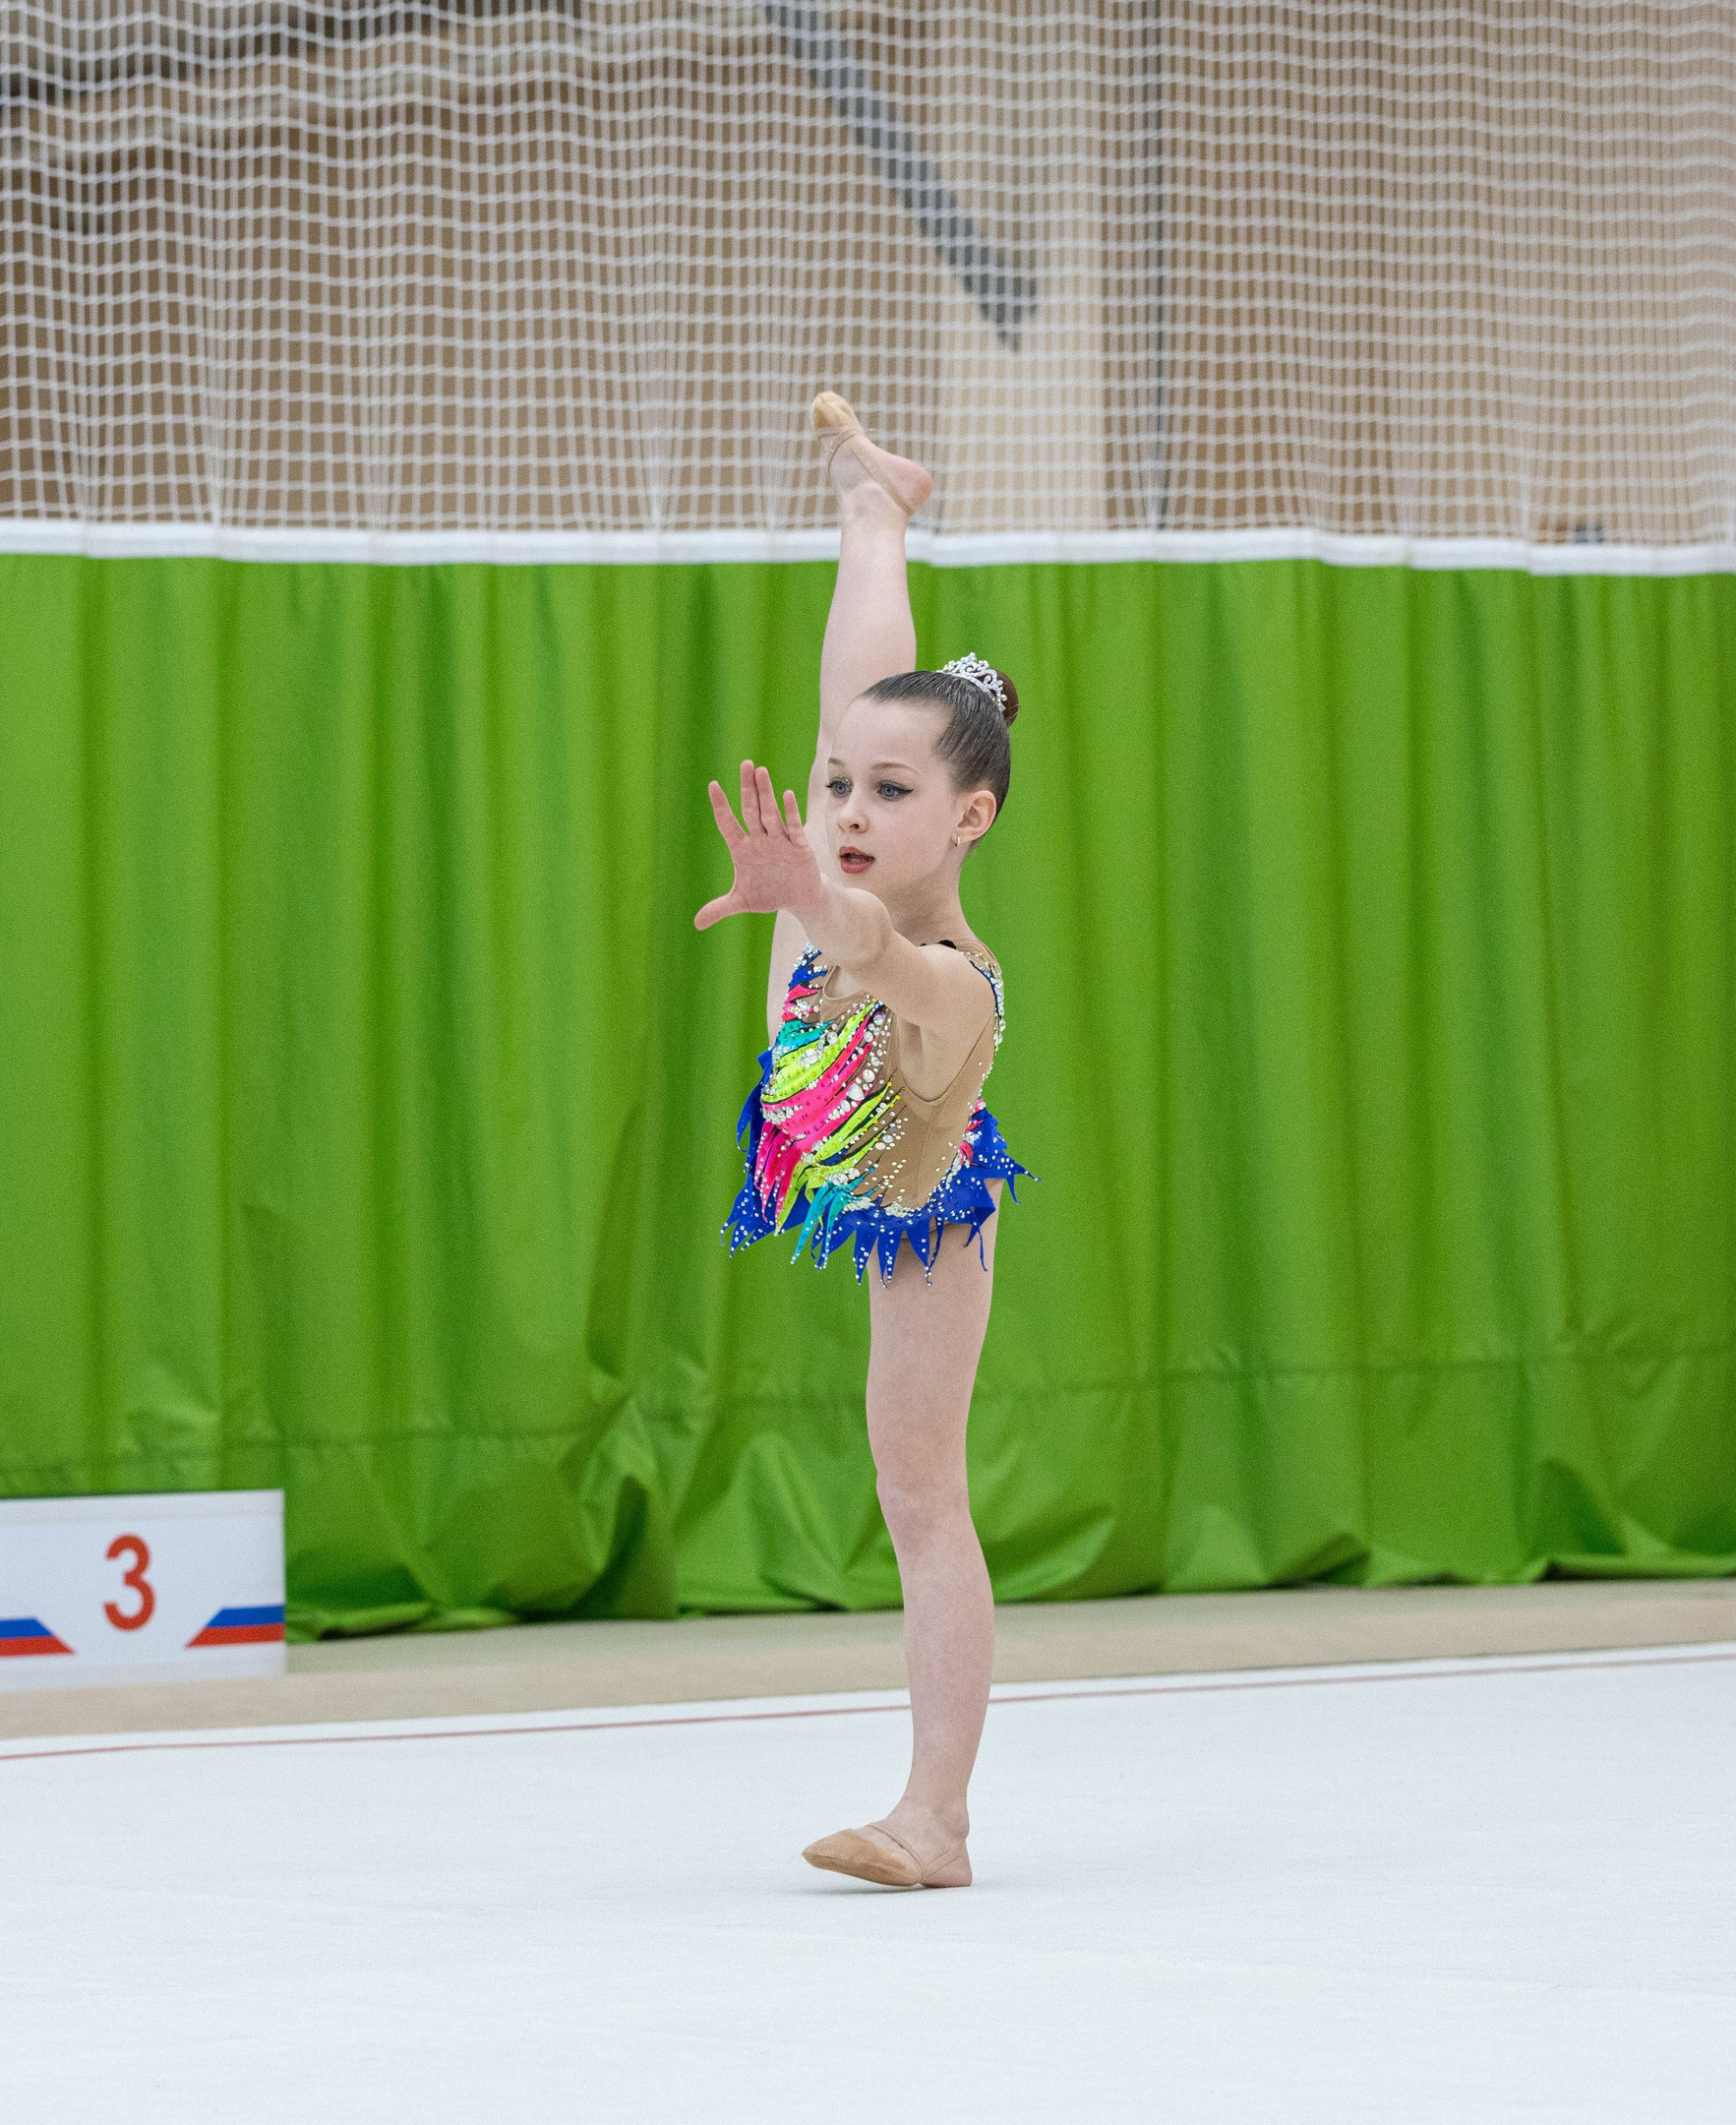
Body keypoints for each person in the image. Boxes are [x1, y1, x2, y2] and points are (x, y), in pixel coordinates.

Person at [693, 392, 1031, 1890]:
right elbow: (846, 858)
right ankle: (873, 506)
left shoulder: (957, 978)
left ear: (972, 820)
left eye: (891, 796)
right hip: (824, 1088)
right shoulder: (841, 864)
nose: (847, 808)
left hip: (921, 1209)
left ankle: (937, 1821)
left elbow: (879, 955)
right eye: (840, 787)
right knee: (855, 696)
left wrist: (815, 900)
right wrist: (822, 871)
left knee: (918, 1493)